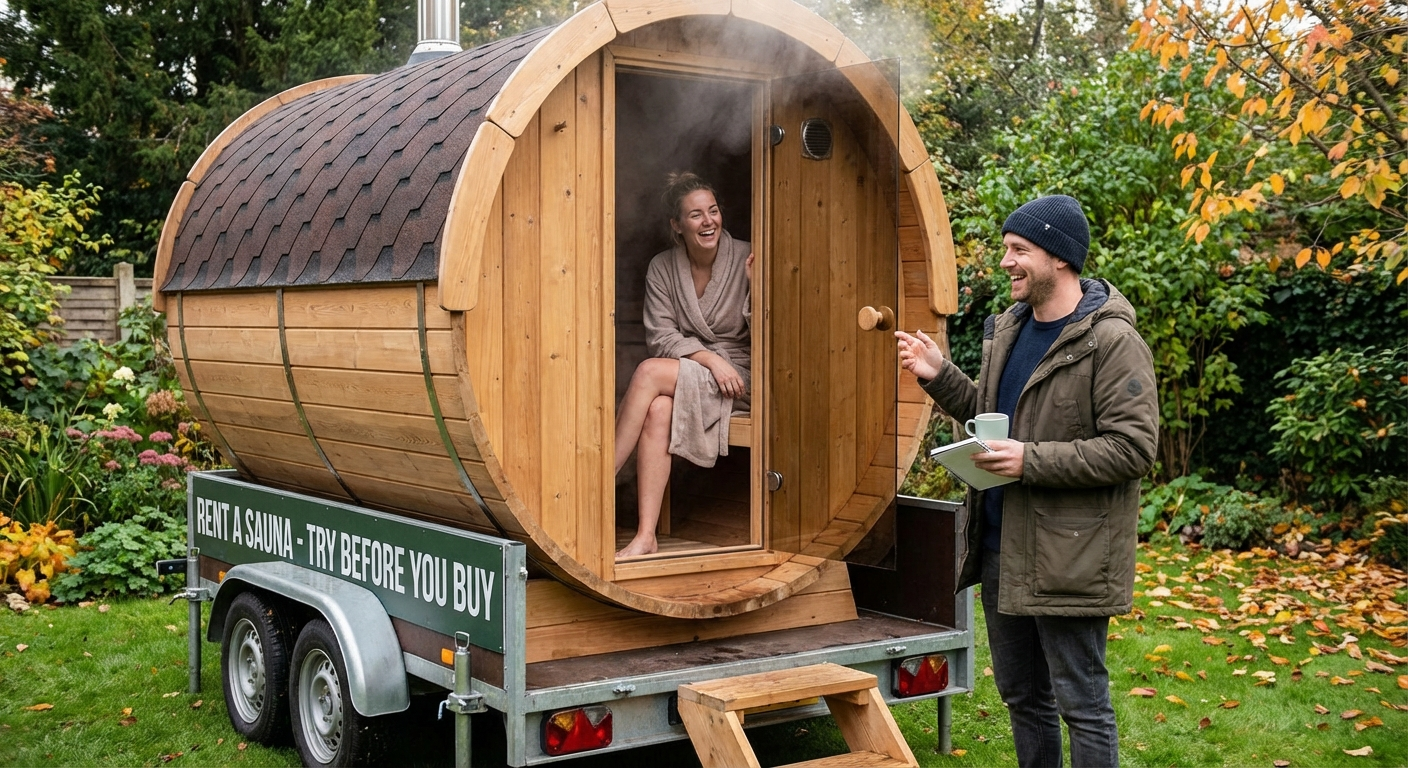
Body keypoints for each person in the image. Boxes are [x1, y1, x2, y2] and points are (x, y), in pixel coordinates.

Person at [896, 194, 1158, 768]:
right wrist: (940, 376)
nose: (1005, 262)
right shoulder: (1011, 329)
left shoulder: (1111, 341)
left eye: (1019, 250)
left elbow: (1133, 448)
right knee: (1024, 699)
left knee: (1081, 704)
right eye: (1006, 249)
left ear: (1059, 257)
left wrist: (1029, 461)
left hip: (1069, 555)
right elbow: (995, 421)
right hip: (1002, 547)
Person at [615, 172, 753, 559]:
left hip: (739, 376)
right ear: (677, 225)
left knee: (648, 372)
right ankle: (646, 535)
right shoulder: (663, 267)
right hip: (704, 370)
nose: (709, 221)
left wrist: (757, 286)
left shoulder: (747, 256)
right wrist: (708, 359)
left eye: (713, 210)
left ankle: (600, 484)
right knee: (659, 409)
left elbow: (773, 334)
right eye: (696, 215)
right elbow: (661, 336)